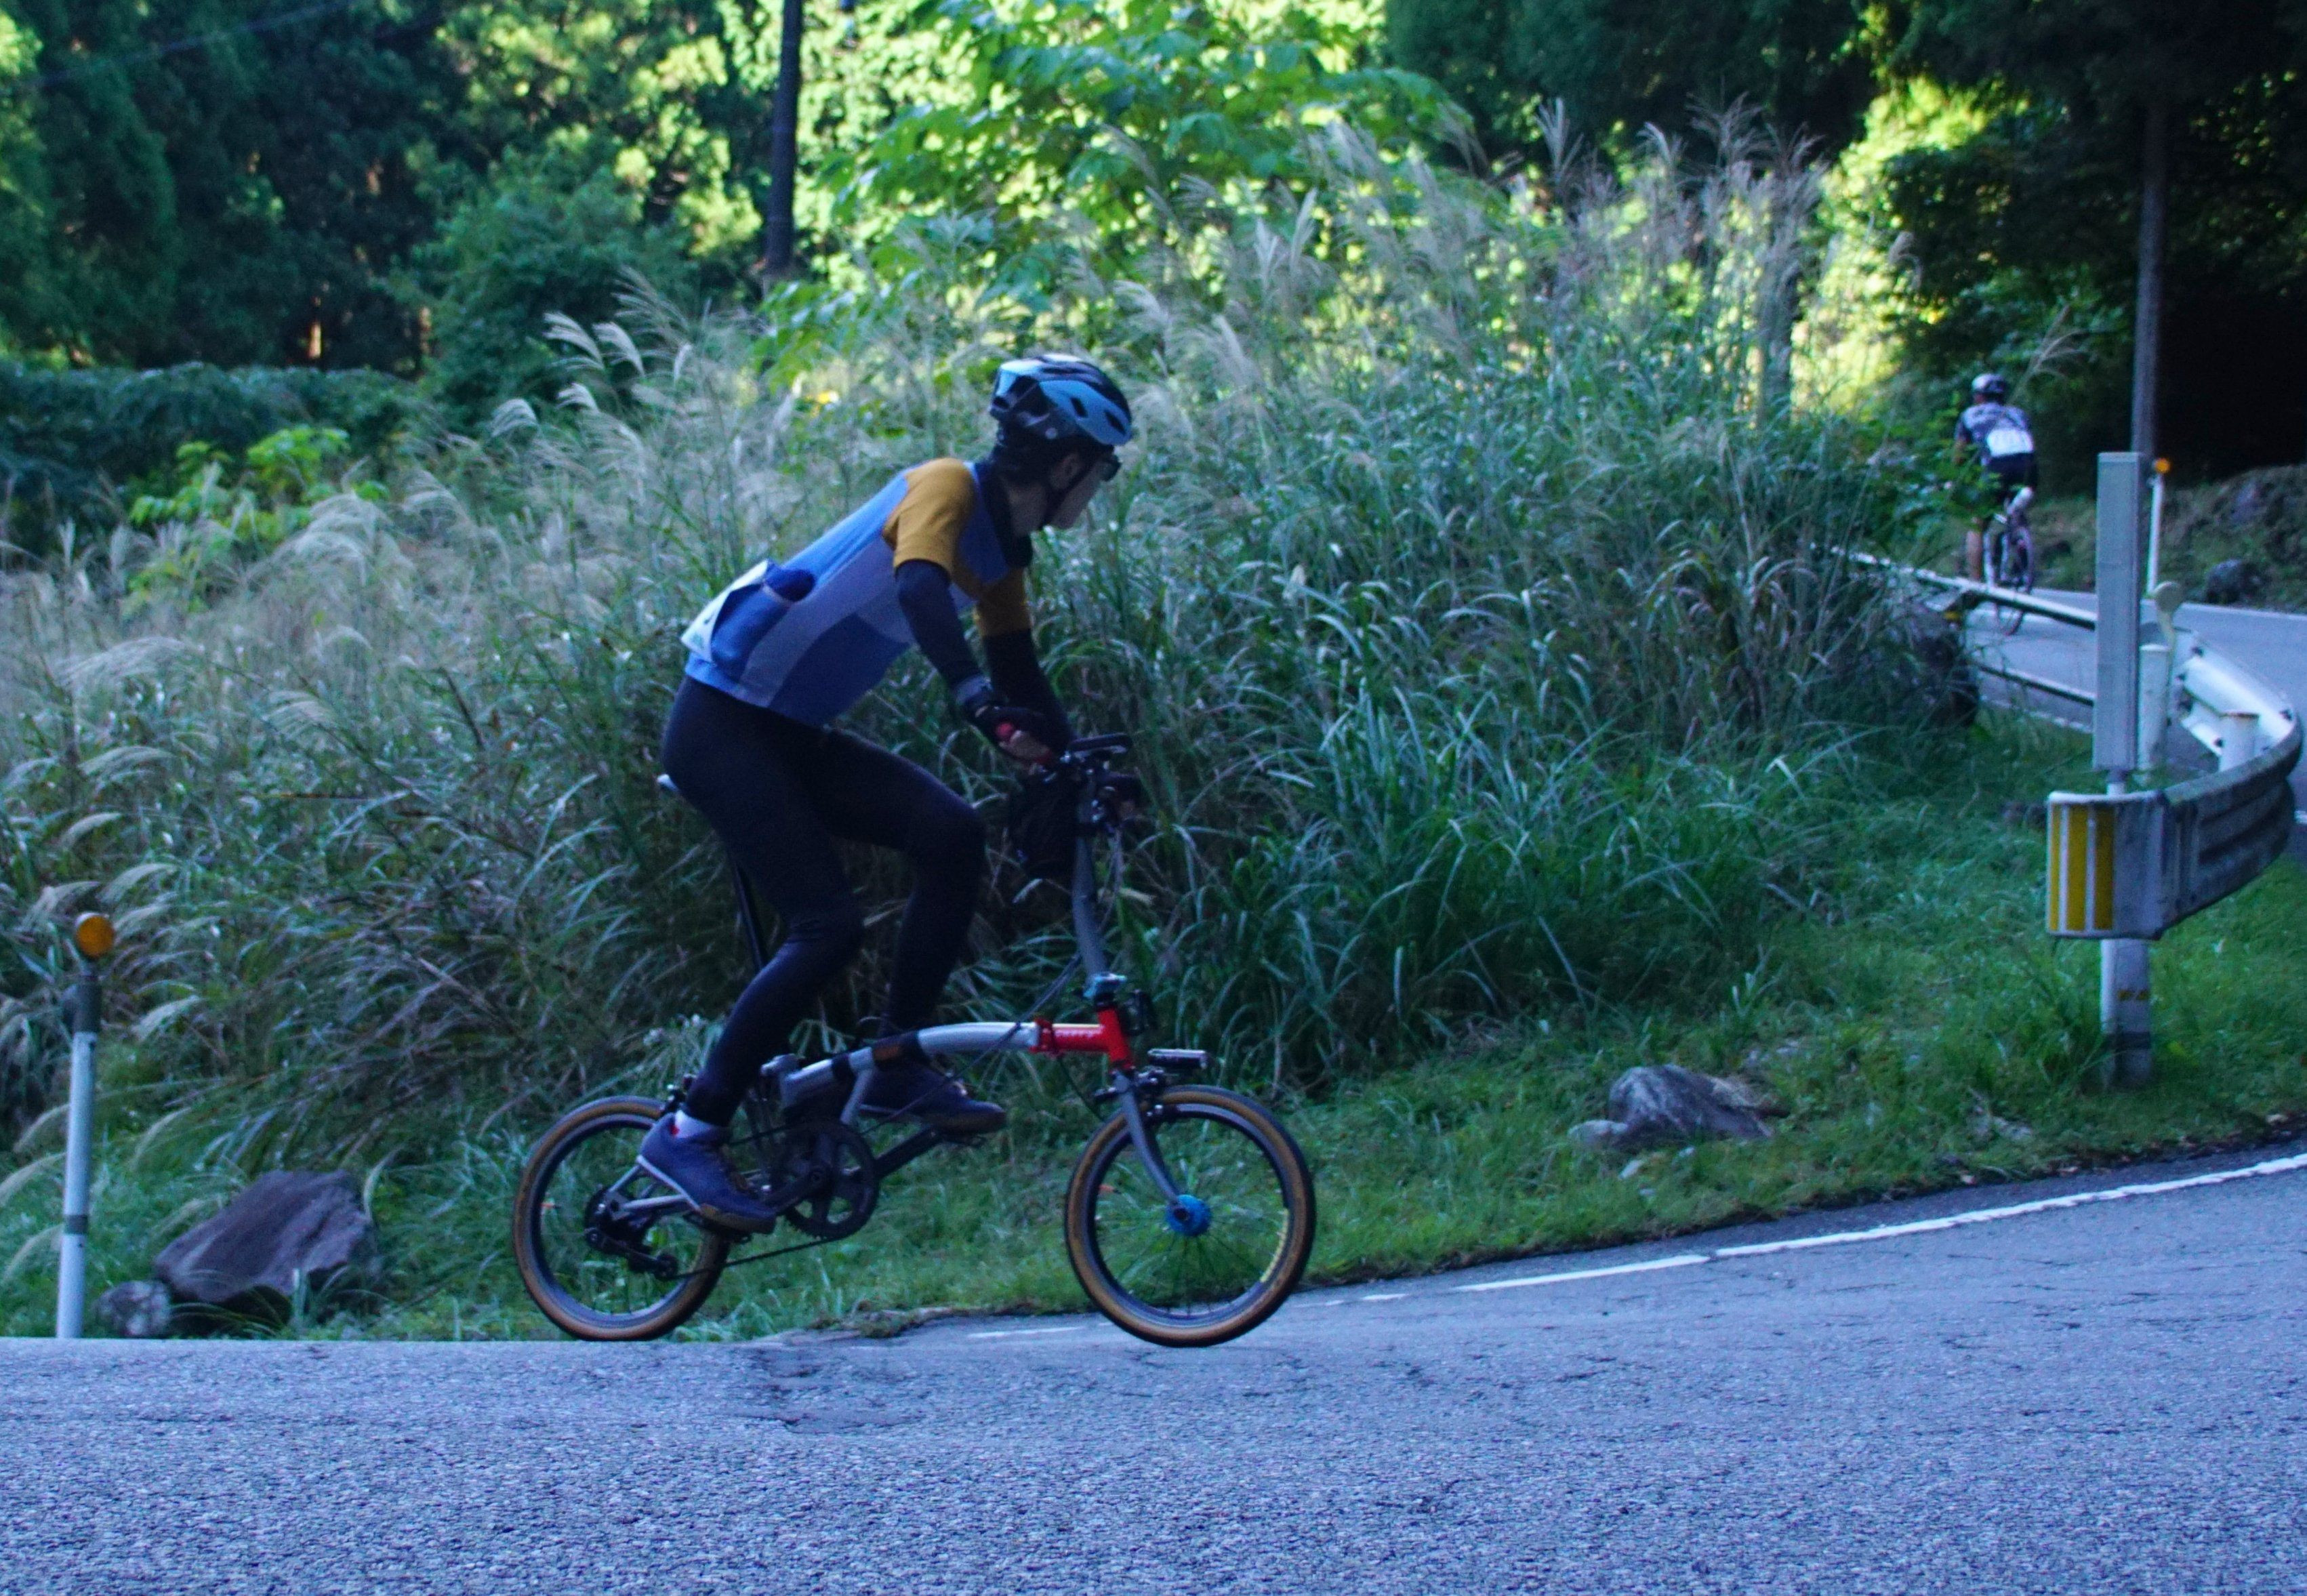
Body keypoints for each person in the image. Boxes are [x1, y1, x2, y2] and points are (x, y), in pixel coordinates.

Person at [639, 356, 1134, 1231]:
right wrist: (974, 701)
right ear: (1066, 464)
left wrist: (1075, 762)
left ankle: (898, 1060)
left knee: (951, 832)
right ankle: (691, 1128)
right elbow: (917, 585)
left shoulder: (1002, 555)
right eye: (1100, 469)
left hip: (784, 731)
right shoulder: (945, 486)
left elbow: (1019, 671)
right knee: (826, 925)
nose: (1098, 488)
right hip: (721, 723)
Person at [1953, 372, 2037, 584]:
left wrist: (1956, 476)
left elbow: (1959, 455)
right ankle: (2019, 543)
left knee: (1978, 523)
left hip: (1997, 469)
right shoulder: (2018, 414)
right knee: (2016, 510)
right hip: (2029, 469)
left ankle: (1975, 582)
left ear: (1978, 396)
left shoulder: (1970, 415)